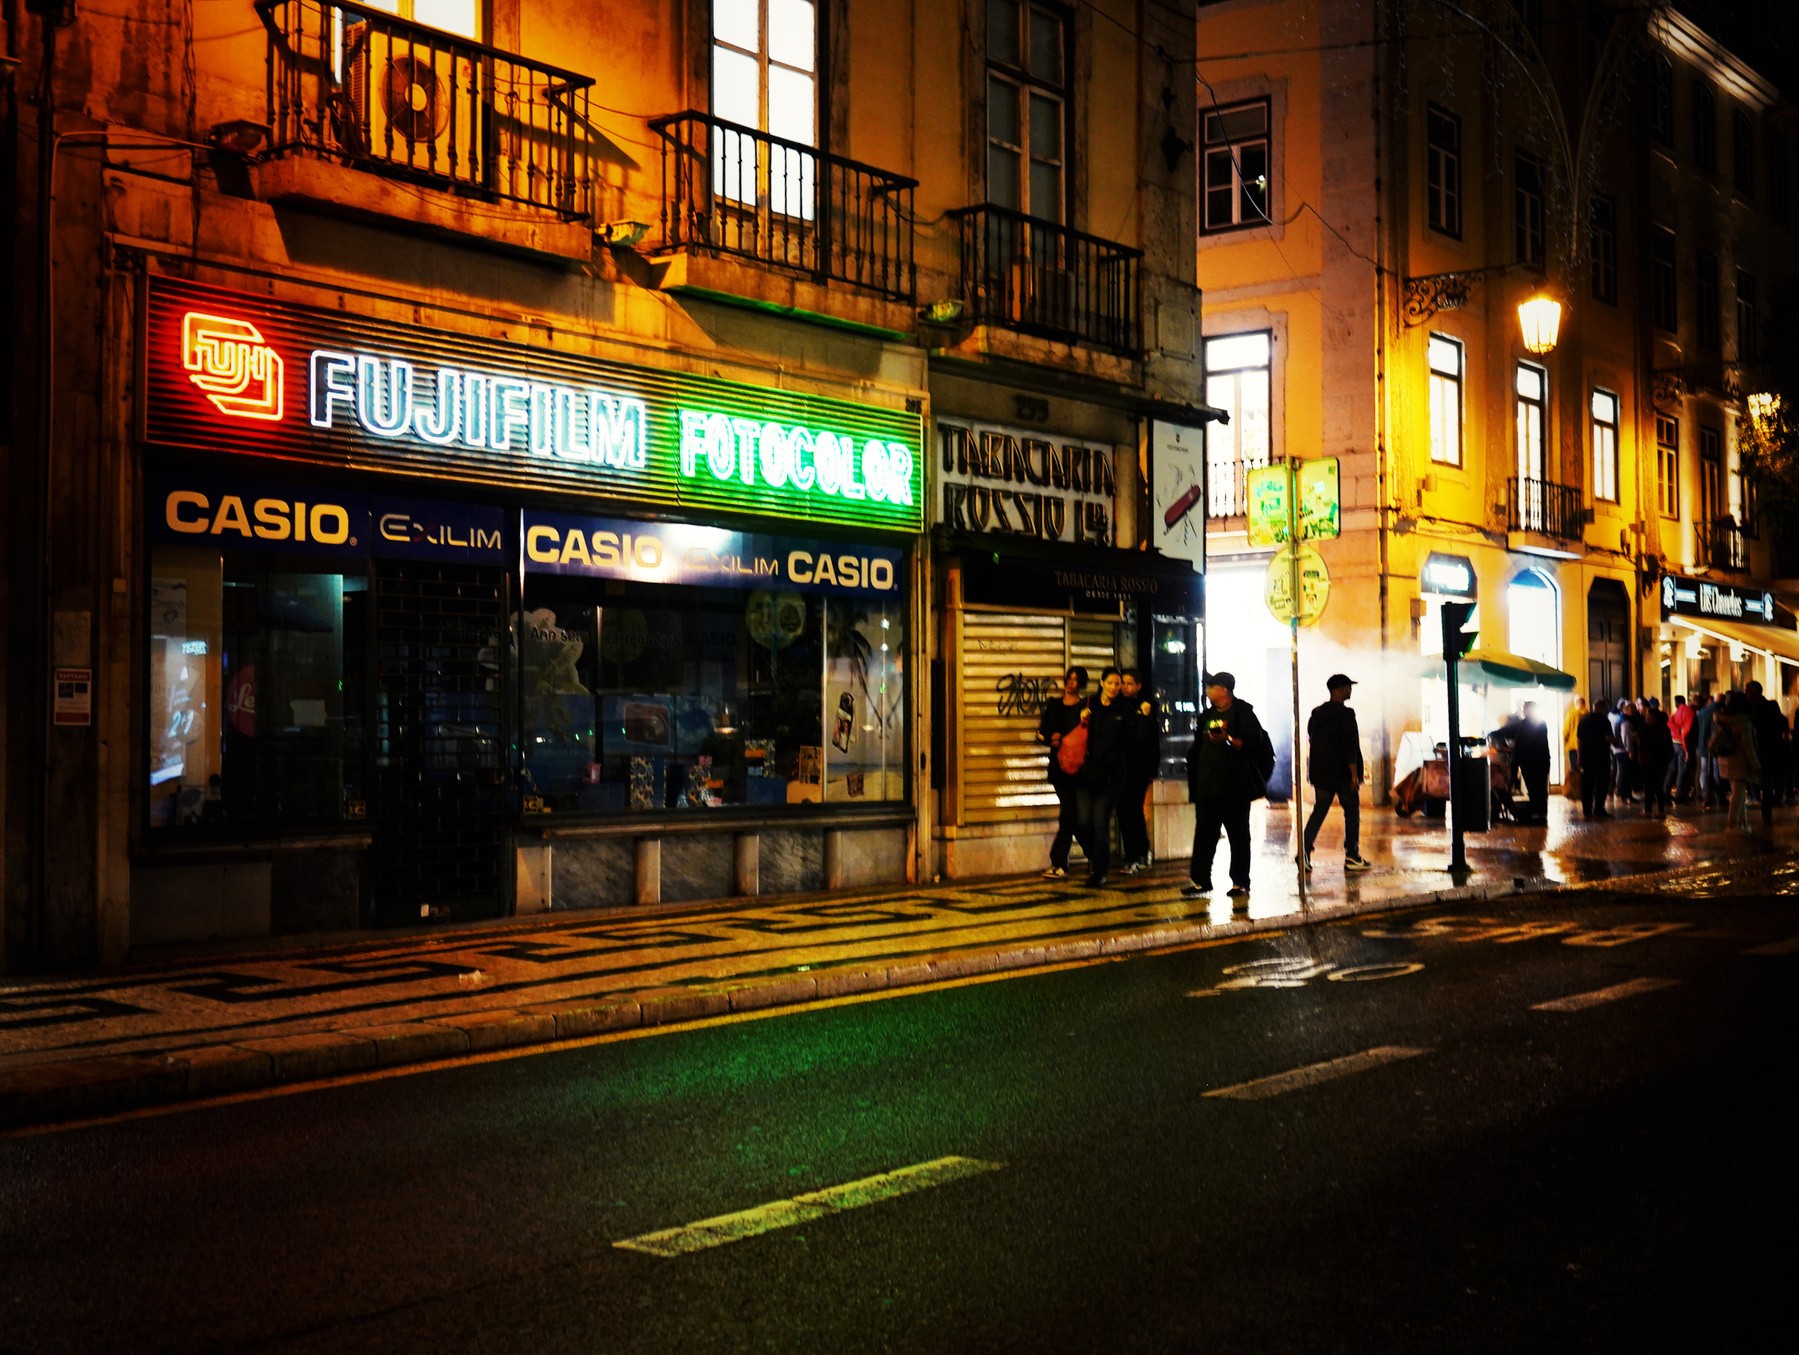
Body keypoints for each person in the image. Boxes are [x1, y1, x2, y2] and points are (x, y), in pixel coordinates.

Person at [1182, 672, 1275, 901]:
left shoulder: (1243, 714)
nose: (1207, 690)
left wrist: (1228, 739)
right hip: (1206, 787)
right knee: (1204, 835)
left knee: (1238, 835)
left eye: (1211, 686)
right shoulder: (1206, 716)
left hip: (1234, 788)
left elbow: (1254, 744)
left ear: (1223, 689)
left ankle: (1240, 882)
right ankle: (1201, 880)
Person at [1302, 674, 1371, 872]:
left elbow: (1311, 738)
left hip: (1321, 773)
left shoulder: (1316, 713)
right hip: (1341, 774)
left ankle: (1304, 852)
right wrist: (1354, 775)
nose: (1350, 690)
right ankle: (1352, 855)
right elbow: (1349, 745)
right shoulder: (1346, 714)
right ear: (1340, 689)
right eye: (1348, 687)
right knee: (1351, 812)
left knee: (1319, 811)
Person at [1073, 667, 1130, 887]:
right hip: (1087, 773)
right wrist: (1080, 719)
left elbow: (1133, 738)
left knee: (1100, 821)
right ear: (1102, 682)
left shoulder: (1124, 709)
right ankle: (1095, 857)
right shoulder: (1089, 705)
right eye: (1112, 683)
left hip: (1112, 775)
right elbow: (1073, 733)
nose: (1115, 687)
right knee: (1081, 821)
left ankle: (1100, 870)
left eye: (1119, 684)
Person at [1036, 666, 1088, 878]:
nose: (1071, 683)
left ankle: (1059, 863)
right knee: (1071, 816)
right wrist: (1051, 738)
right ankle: (1096, 854)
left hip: (1078, 769)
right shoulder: (1054, 705)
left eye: (1076, 680)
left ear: (1081, 684)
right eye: (1069, 678)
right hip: (1059, 766)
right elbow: (1041, 733)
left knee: (1067, 815)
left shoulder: (1085, 706)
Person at [1117, 669, 1159, 873]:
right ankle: (1134, 855)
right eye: (1122, 683)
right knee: (1124, 812)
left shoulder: (1147, 707)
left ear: (1138, 686)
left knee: (1133, 811)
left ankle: (1138, 854)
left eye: (1129, 683)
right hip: (1119, 768)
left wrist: (1152, 768)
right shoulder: (1116, 707)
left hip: (1138, 769)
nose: (1125, 687)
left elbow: (1150, 741)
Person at [1711, 692, 1760, 832]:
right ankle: (1732, 823)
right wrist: (1756, 765)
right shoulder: (1743, 722)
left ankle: (1742, 822)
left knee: (1737, 792)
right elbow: (1748, 746)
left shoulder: (1722, 720)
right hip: (1740, 762)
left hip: (1726, 759)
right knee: (1738, 793)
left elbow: (1714, 741)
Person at [1745, 681, 1788, 824]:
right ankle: (1764, 803)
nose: (1746, 694)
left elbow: (1777, 723)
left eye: (1748, 691)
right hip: (1758, 749)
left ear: (1757, 692)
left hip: (1768, 749)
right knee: (1765, 779)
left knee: (1768, 779)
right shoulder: (1748, 708)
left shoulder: (1770, 706)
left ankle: (1767, 808)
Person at [1512, 700, 1552, 825]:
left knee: (1533, 789)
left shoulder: (1524, 724)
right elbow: (1544, 745)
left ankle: (1535, 814)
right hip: (1542, 761)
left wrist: (1516, 762)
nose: (1523, 711)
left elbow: (1519, 745)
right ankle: (1542, 814)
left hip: (1528, 762)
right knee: (1541, 788)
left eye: (1525, 709)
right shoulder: (1541, 723)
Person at [1576, 697, 1614, 820]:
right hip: (1602, 756)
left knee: (1588, 784)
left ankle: (1587, 809)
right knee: (1602, 783)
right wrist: (1617, 742)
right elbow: (1608, 737)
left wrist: (1579, 757)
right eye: (1606, 708)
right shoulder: (1604, 721)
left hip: (1587, 756)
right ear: (1602, 708)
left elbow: (1579, 740)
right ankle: (1599, 808)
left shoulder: (1584, 720)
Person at [1638, 706, 1675, 816]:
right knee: (1658, 786)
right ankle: (1661, 810)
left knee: (1648, 786)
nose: (1646, 717)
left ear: (1653, 716)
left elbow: (1644, 744)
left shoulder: (1647, 728)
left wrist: (1637, 741)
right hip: (1661, 760)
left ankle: (1648, 810)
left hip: (1649, 760)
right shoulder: (1664, 728)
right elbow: (1669, 746)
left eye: (1648, 715)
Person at [1692, 692, 1719, 809]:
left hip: (1701, 745)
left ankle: (1705, 794)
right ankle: (1716, 794)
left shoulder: (1701, 714)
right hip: (1714, 746)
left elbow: (1694, 730)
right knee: (1715, 769)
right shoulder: (1719, 712)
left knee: (1703, 770)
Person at [1667, 694, 1693, 803]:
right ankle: (1680, 795)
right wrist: (1687, 749)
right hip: (1682, 743)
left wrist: (1676, 730)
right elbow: (1686, 732)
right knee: (1682, 770)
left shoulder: (1677, 712)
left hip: (1674, 742)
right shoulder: (1688, 711)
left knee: (1673, 768)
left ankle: (1665, 791)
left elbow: (1669, 722)